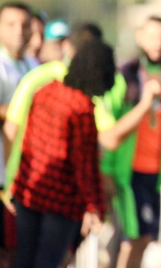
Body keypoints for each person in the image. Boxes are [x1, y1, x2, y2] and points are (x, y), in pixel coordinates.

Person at [12, 40, 114, 268]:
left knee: (23, 260)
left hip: (29, 191)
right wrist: (95, 205)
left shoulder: (45, 92)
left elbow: (27, 142)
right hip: (61, 201)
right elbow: (84, 164)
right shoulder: (82, 108)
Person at [101, 16, 161, 268]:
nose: (158, 44)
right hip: (127, 174)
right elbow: (109, 127)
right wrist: (106, 169)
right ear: (139, 37)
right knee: (135, 236)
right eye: (152, 36)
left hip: (155, 174)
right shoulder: (124, 76)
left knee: (144, 237)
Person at [0, 1, 36, 255]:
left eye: (24, 25)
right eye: (10, 24)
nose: (18, 31)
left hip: (29, 175)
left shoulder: (35, 65)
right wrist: (20, 112)